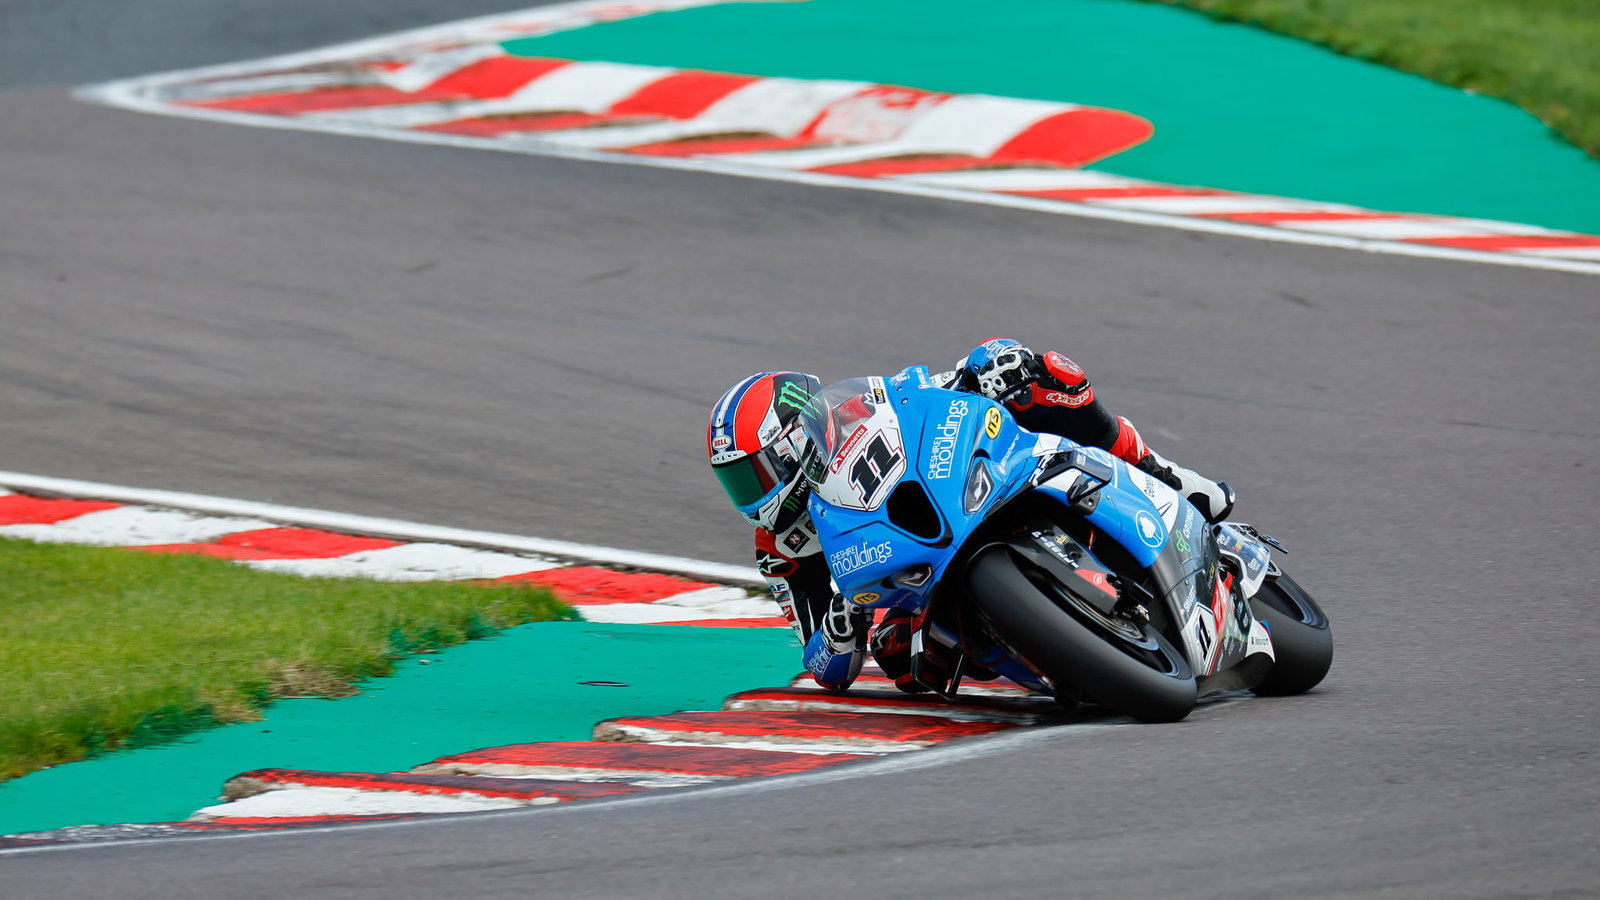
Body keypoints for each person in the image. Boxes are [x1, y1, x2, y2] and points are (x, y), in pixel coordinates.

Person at [705, 338, 1234, 692]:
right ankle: (1052, 649)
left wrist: (981, 370)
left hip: (951, 494)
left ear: (794, 439)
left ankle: (1166, 476)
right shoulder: (780, 549)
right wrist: (840, 626)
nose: (754, 494)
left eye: (756, 472)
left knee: (1044, 381)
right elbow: (825, 668)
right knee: (902, 662)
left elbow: (919, 389)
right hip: (907, 585)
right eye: (738, 482)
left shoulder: (857, 410)